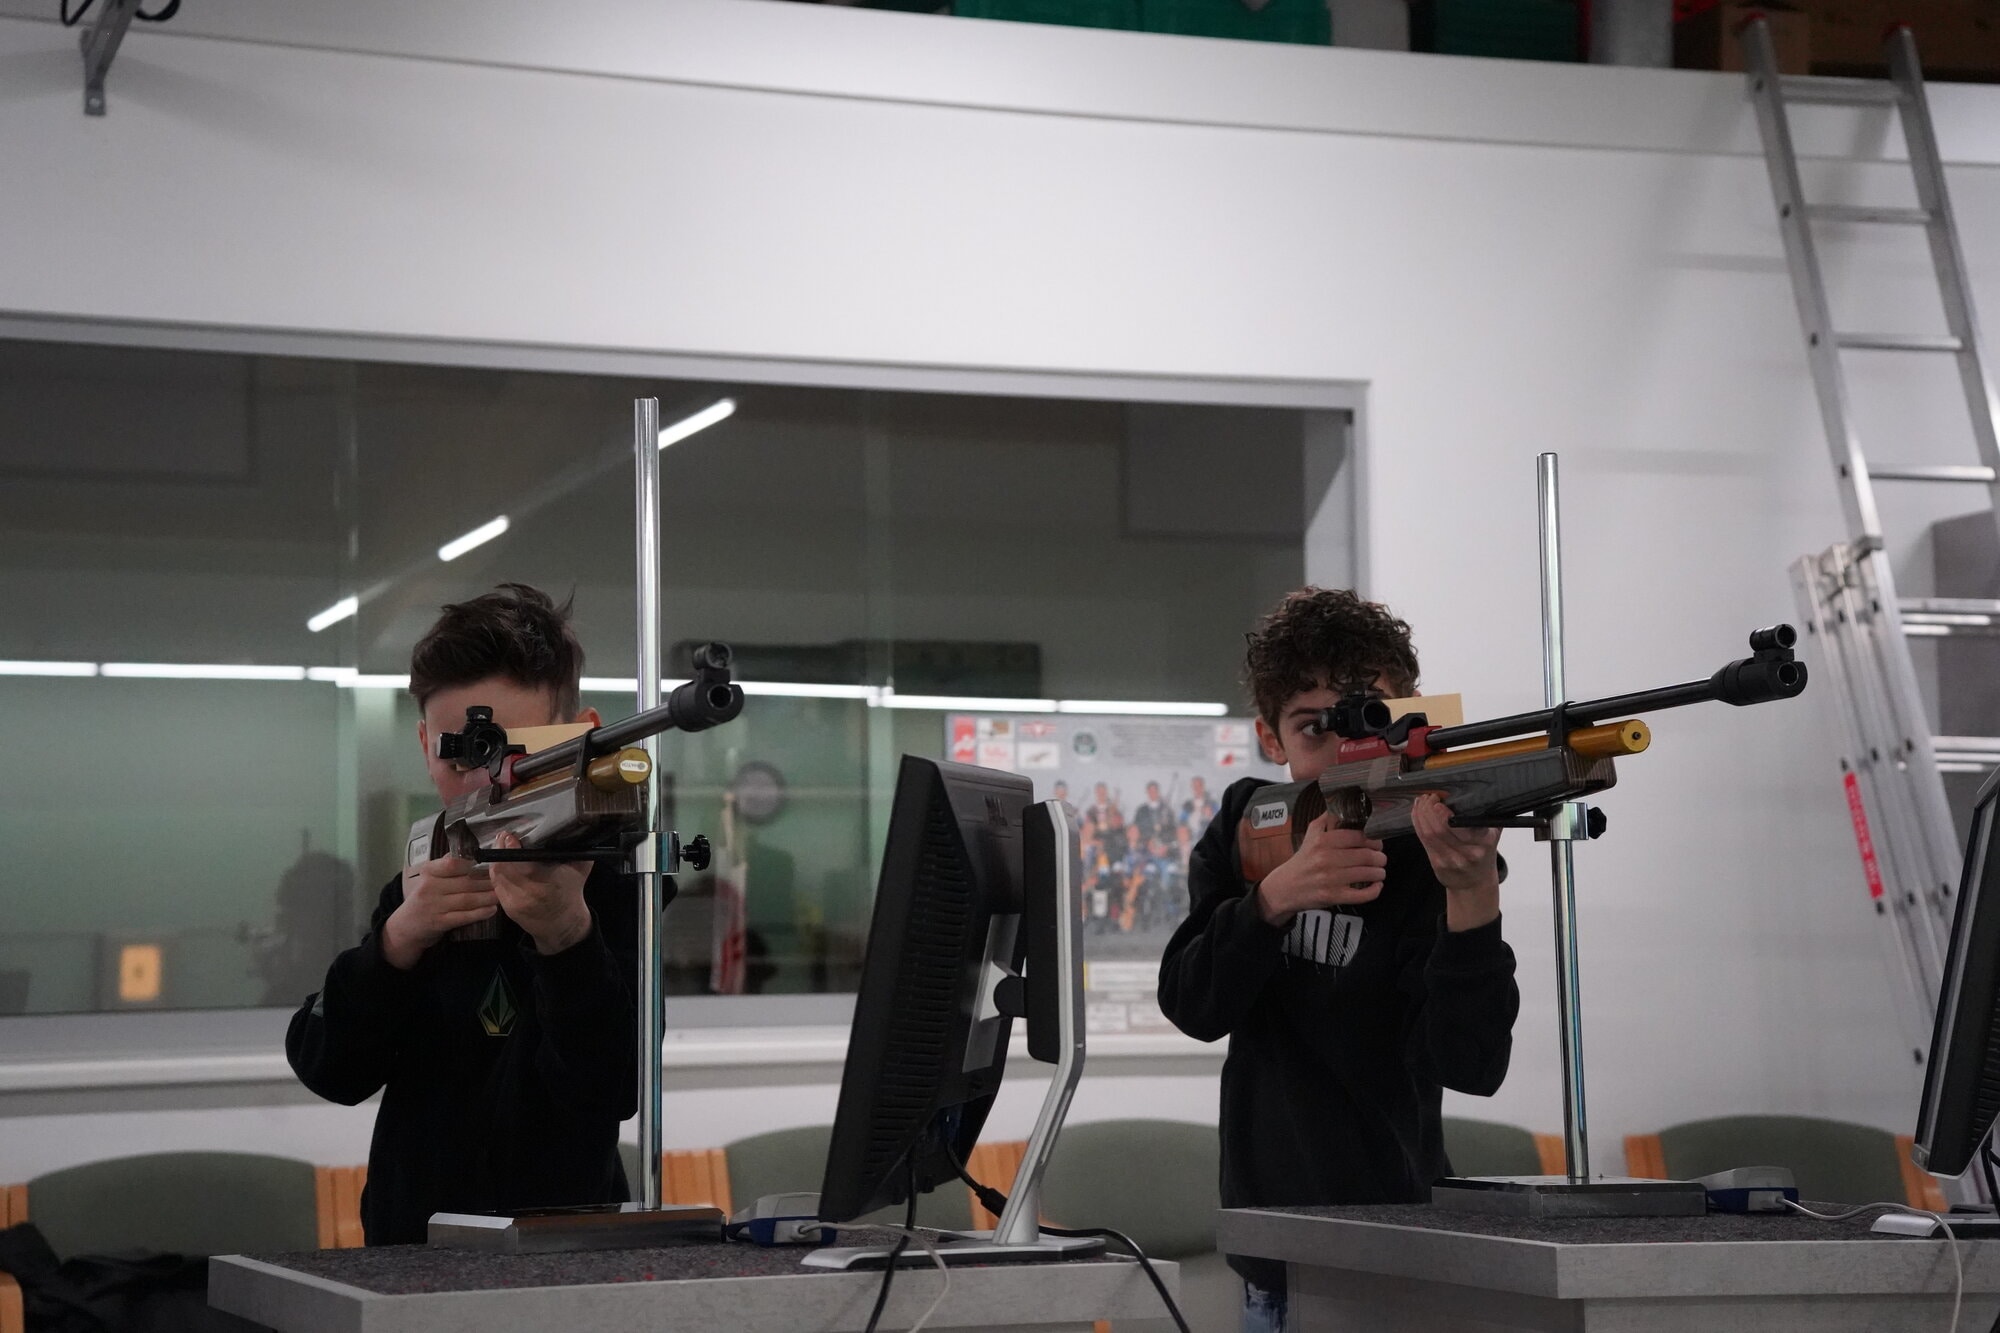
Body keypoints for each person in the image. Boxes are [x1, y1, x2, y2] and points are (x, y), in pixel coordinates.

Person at [1156, 588, 1519, 1333]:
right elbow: (1191, 1003)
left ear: (1411, 721)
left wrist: (1471, 893)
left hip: (1403, 1249)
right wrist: (1271, 901)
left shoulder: (1427, 851)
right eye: (1313, 726)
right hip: (1276, 1250)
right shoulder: (1248, 825)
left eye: (1369, 718)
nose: (1346, 747)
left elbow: (1472, 1063)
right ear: (1271, 738)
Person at [287, 584, 639, 1245]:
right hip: (411, 1250)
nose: (485, 781)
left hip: (563, 1248)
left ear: (579, 736)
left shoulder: (612, 887)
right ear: (425, 744)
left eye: (517, 752)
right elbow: (330, 1069)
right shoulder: (420, 884)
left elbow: (611, 1090)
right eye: (461, 753)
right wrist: (396, 943)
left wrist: (568, 937)